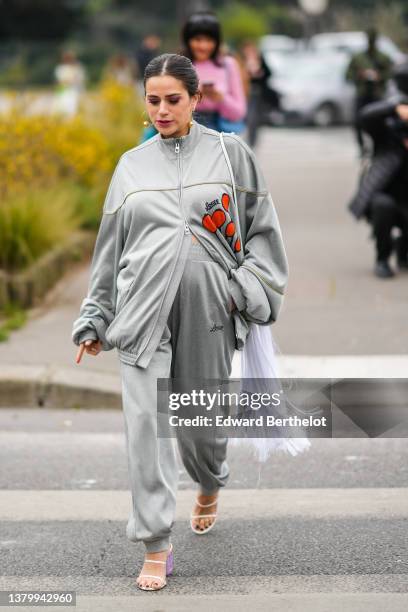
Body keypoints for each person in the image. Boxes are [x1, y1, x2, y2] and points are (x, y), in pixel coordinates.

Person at [71, 53, 288, 591]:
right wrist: (95, 317)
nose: (163, 109)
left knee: (200, 424)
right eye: (153, 100)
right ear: (144, 104)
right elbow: (109, 249)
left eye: (174, 99)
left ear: (195, 100)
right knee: (146, 423)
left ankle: (210, 479)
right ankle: (155, 542)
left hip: (211, 311)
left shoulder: (230, 155)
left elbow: (262, 231)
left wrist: (246, 290)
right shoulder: (130, 167)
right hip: (141, 311)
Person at [348, 62, 408, 278]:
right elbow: (365, 116)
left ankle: (404, 249)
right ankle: (382, 257)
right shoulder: (387, 133)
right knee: (384, 206)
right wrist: (395, 108)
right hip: (386, 199)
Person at [180, 11, 247, 133]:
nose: (203, 46)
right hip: (184, 131)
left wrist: (221, 99)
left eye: (209, 40)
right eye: (198, 39)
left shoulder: (228, 65)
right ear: (187, 40)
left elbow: (239, 112)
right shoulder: (178, 64)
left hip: (218, 133)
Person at [345, 27, 393, 155]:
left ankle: (380, 147)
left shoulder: (383, 58)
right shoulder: (358, 58)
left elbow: (390, 74)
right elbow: (348, 75)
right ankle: (362, 148)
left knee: (380, 123)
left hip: (377, 94)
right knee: (358, 122)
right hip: (362, 94)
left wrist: (379, 77)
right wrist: (360, 76)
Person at [240, 39, 277, 148]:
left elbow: (268, 74)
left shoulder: (260, 60)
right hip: (245, 93)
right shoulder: (241, 61)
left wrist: (259, 73)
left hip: (257, 93)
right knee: (246, 118)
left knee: (254, 119)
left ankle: (252, 142)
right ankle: (246, 141)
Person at [53, 50, 86, 117]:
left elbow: (80, 79)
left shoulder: (78, 67)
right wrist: (58, 91)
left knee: (72, 109)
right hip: (63, 90)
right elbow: (59, 81)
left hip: (74, 90)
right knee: (62, 107)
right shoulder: (60, 68)